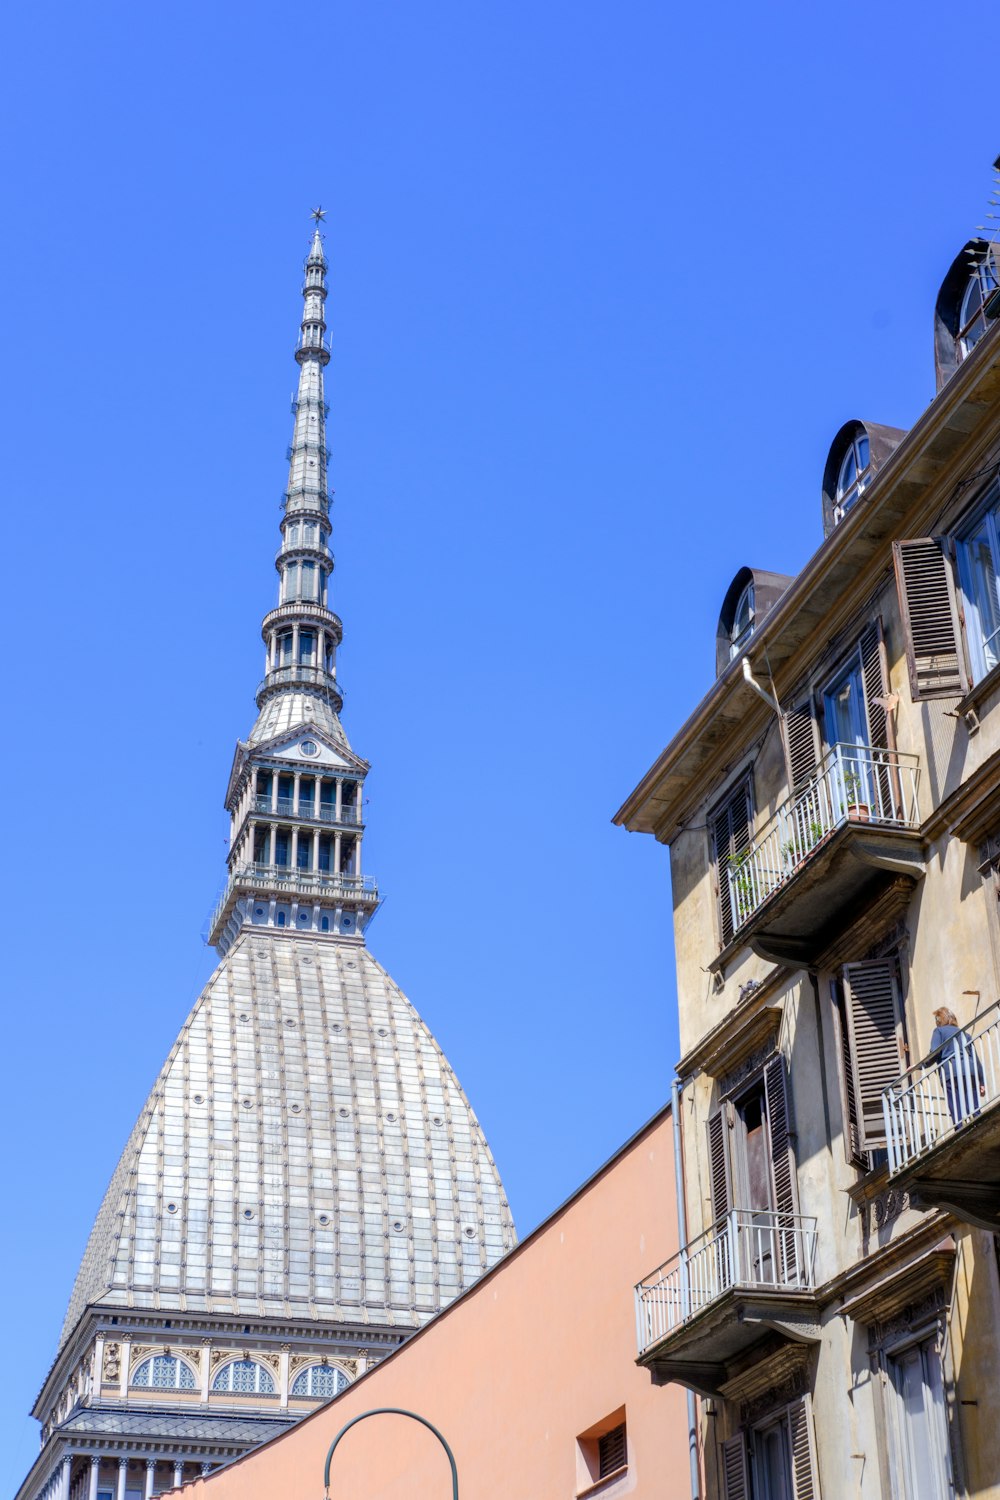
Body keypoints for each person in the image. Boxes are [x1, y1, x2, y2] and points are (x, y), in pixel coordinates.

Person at [930, 1006, 986, 1127]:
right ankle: (980, 1125)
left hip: (951, 1073)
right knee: (973, 1105)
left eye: (936, 1019)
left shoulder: (938, 1031)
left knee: (956, 1106)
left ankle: (960, 1130)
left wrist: (919, 1066)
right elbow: (975, 1058)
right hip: (969, 1071)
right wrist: (981, 1081)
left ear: (940, 1020)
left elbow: (934, 1053)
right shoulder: (964, 1034)